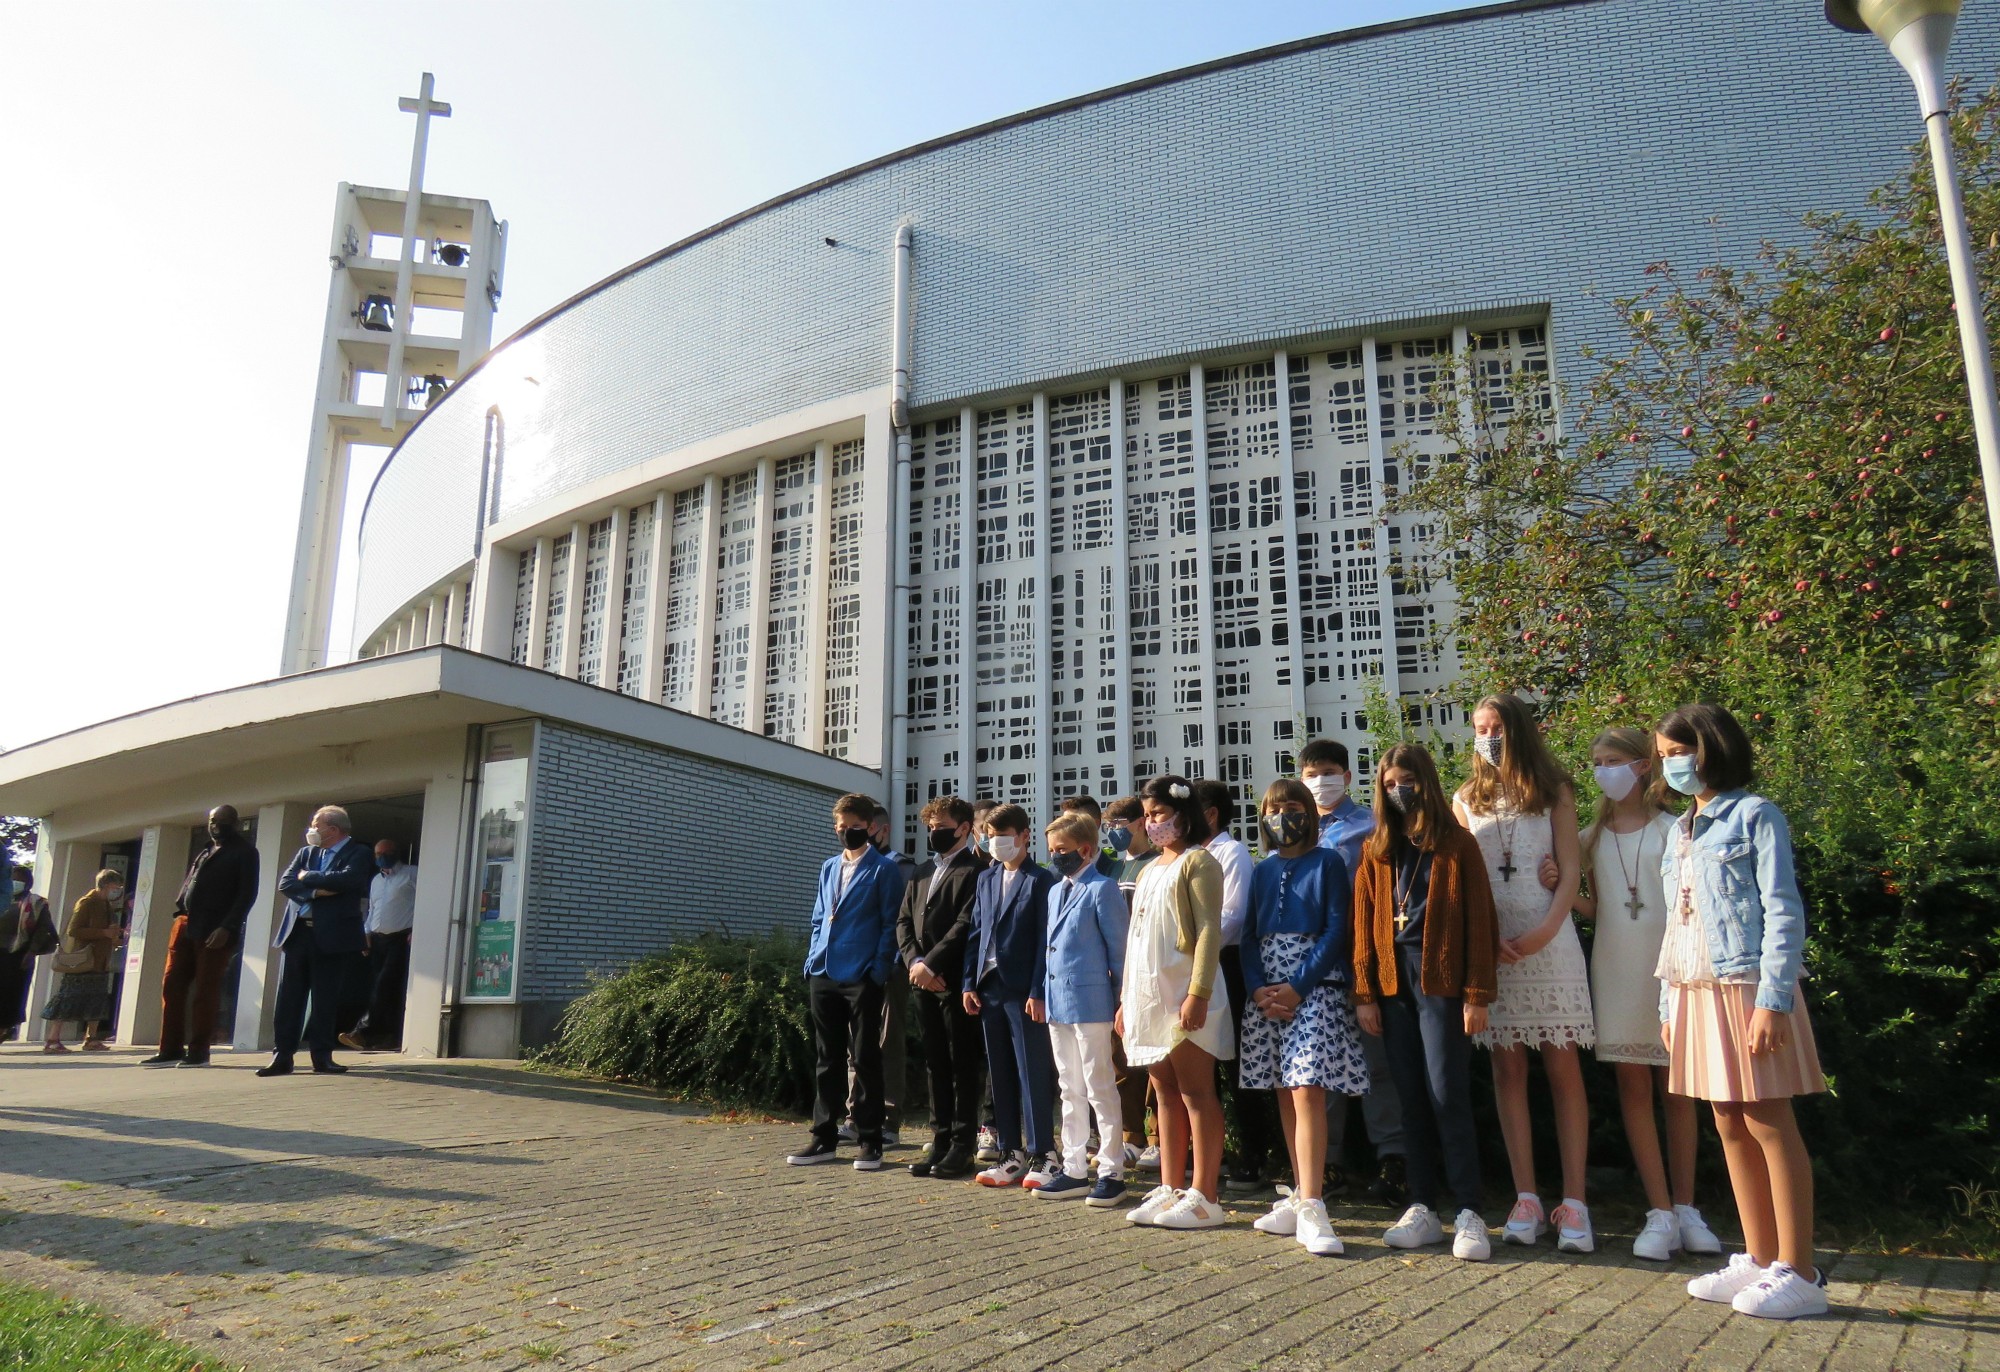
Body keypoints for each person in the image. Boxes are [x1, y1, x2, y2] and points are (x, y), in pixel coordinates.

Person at [1655, 704, 1828, 1320]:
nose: (1669, 763)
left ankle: (1800, 1270)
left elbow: (1783, 910)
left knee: (1767, 1119)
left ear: (1708, 748)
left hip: (1748, 986)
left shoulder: (1757, 816)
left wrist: (1773, 1002)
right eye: (1664, 753)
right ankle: (1757, 1258)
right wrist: (1667, 1001)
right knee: (1727, 1119)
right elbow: (1676, 922)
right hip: (1696, 988)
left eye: (1677, 751)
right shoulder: (1680, 830)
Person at [1539, 727, 1722, 1263]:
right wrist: (1562, 891)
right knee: (1633, 1088)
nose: (1602, 770)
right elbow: (1600, 907)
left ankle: (1687, 1208)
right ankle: (1659, 1212)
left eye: (1612, 760)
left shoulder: (1673, 829)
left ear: (1644, 767)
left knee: (1680, 1090)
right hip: (1614, 969)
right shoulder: (1592, 835)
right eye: (1596, 761)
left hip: (1669, 971)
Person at [1456, 693, 1596, 1253]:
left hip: (1550, 943)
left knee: (1564, 1070)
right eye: (1479, 729)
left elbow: (1569, 874)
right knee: (1507, 1071)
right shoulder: (1466, 797)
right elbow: (1464, 878)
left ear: (1519, 731)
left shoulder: (1554, 790)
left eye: (1496, 727)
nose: (1487, 737)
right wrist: (1484, 941)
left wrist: (1543, 932)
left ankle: (1575, 1201)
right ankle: (1527, 1197)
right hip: (1494, 951)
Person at [1353, 743, 1500, 1261]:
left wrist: (1477, 994)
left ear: (1426, 782)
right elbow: (1363, 930)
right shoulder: (1376, 851)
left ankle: (1469, 1210)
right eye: (1390, 784)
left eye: (1407, 781)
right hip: (1392, 986)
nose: (1399, 791)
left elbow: (1481, 923)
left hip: (1441, 983)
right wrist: (1365, 994)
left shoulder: (1456, 845)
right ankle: (1421, 1206)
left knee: (1446, 1092)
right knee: (1409, 1096)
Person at [1242, 779, 1370, 1256]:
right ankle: (1298, 1193)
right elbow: (1249, 936)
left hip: (1313, 986)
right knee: (1282, 1087)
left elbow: (1339, 929)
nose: (1284, 817)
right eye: (1275, 809)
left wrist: (1297, 986)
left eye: (1293, 807)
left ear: (1309, 814)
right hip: (1266, 992)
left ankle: (1315, 1203)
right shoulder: (1260, 870)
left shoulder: (1330, 862)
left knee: (1307, 1087)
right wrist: (1258, 988)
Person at [1120, 775, 1234, 1230]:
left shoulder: (1199, 862)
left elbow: (1209, 930)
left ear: (1183, 817)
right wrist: (1126, 1002)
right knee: (1164, 1093)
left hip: (1184, 991)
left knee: (1195, 1091)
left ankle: (1205, 1194)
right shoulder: (1147, 869)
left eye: (1159, 815)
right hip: (1148, 994)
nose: (1151, 824)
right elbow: (1136, 939)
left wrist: (1198, 993)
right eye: (1147, 817)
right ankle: (1170, 1186)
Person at [1299, 737, 1407, 1204]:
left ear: (1346, 776)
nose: (1319, 782)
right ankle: (1328, 1165)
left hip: (1363, 964)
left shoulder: (1370, 826)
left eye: (1328, 772)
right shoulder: (1295, 831)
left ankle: (1394, 1160)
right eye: (1310, 774)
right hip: (1311, 974)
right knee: (1320, 1072)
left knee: (1378, 1066)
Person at [788, 794, 906, 1170]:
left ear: (870, 827)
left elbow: (891, 925)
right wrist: (812, 959)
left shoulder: (883, 870)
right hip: (823, 972)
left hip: (862, 975)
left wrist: (877, 970)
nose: (845, 834)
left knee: (867, 1057)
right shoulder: (827, 867)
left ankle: (871, 1140)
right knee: (828, 1058)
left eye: (853, 827)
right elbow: (819, 916)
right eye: (840, 827)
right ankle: (823, 1137)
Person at [1034, 810, 1130, 1206]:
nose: (1056, 856)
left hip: (1092, 1003)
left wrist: (1123, 1000)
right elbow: (1051, 948)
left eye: (1062, 850)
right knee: (1068, 1087)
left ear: (1086, 849)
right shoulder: (1056, 890)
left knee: (1099, 1086)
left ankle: (1111, 1169)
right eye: (1052, 850)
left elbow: (1120, 952)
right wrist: (1040, 992)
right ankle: (1074, 1169)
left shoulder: (1102, 889)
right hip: (1058, 1003)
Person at [963, 805, 1059, 1188]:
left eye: (1004, 837)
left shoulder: (1041, 880)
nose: (996, 844)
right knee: (999, 1071)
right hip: (989, 987)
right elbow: (976, 932)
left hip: (1023, 990)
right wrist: (969, 983)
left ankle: (1042, 1153)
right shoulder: (985, 878)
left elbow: (1044, 941)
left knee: (1031, 1070)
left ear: (1024, 836)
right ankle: (1009, 1151)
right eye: (991, 836)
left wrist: (1038, 990)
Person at [897, 796, 988, 1179]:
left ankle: (963, 1146)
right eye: (930, 827)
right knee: (936, 1064)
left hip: (954, 981)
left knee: (962, 1066)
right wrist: (915, 963)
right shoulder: (920, 871)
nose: (935, 833)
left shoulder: (977, 870)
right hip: (923, 982)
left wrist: (932, 963)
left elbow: (966, 924)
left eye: (942, 826)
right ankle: (939, 1140)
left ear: (965, 828)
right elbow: (903, 921)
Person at [1194, 777, 1274, 1194]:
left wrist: (1192, 945)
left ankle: (1253, 1156)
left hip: (1226, 964)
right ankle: (1208, 1151)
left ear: (1210, 814)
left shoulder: (1231, 853)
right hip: (1193, 967)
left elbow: (1233, 918)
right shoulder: (1189, 854)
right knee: (1199, 1061)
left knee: (1237, 1063)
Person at [143, 805, 261, 1068]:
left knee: (205, 992)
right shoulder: (206, 849)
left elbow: (247, 894)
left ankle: (198, 1051)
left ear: (234, 822)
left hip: (215, 930)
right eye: (212, 821)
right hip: (185, 923)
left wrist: (228, 927)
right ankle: (170, 1048)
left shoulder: (245, 852)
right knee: (172, 985)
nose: (215, 825)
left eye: (222, 821)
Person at [264, 806, 374, 1077]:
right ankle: (282, 1056)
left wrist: (309, 878)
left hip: (332, 936)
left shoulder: (358, 853)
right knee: (289, 999)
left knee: (325, 999)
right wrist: (317, 891)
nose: (311, 830)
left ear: (333, 830)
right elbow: (286, 883)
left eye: (316, 824)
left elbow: (349, 880)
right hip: (297, 933)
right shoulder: (307, 852)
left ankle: (322, 1057)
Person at [843, 804, 916, 1148]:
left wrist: (890, 963)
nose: (853, 834)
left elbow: (901, 920)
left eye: (863, 828)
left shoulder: (900, 868)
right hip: (852, 969)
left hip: (889, 969)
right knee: (854, 1046)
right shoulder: (844, 866)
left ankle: (888, 1119)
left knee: (887, 1043)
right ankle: (853, 1116)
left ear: (881, 830)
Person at [1103, 795, 1159, 1172]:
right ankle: (1130, 1136)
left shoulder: (1156, 863)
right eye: (1110, 827)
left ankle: (1158, 1139)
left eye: (1121, 824)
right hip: (1113, 976)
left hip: (1148, 973)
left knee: (1154, 1059)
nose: (1115, 833)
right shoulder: (1111, 870)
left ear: (1142, 822)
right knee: (1120, 1060)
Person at [340, 840, 417, 1053]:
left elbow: (424, 902)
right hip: (378, 939)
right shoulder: (376, 880)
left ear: (396, 852)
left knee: (385, 984)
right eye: (378, 853)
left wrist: (417, 930)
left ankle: (362, 1031)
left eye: (386, 852)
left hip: (401, 938)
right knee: (382, 989)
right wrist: (366, 934)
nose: (382, 856)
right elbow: (373, 910)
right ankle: (387, 1036)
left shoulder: (412, 874)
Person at [42, 870, 126, 1052]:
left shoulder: (107, 905)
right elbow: (74, 930)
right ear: (105, 885)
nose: (117, 891)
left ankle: (92, 1038)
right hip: (83, 960)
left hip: (101, 960)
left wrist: (114, 937)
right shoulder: (87, 903)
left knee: (97, 999)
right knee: (68, 998)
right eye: (115, 887)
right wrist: (103, 933)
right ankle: (53, 1039)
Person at [1, 867, 59, 1044]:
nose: (15, 883)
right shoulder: (3, 899)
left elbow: (43, 930)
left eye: (19, 880)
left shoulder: (36, 903)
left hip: (19, 957)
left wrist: (32, 952)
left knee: (10, 996)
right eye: (12, 879)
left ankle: (4, 1029)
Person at [1059, 794, 1121, 878]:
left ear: (1095, 824)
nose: (1066, 829)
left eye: (1073, 823)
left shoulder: (1117, 872)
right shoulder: (1054, 873)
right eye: (1063, 823)